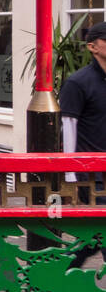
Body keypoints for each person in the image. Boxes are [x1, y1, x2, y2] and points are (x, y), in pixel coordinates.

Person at [60, 22, 106, 185]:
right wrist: (70, 176)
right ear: (92, 47)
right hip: (92, 177)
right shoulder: (77, 83)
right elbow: (68, 128)